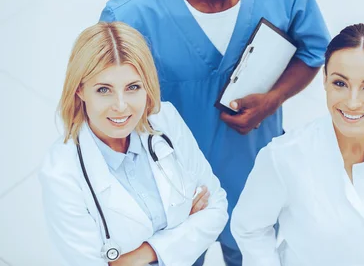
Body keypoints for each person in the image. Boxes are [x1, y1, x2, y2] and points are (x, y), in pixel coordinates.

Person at [99, 0, 329, 265]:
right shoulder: (130, 16)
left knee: (255, 253)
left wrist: (273, 100)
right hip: (169, 191)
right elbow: (104, 113)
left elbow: (313, 51)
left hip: (254, 175)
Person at [231, 24, 364, 266]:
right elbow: (250, 228)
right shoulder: (283, 156)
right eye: (341, 84)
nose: (352, 102)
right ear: (325, 80)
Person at [39, 21, 228, 266]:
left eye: (133, 87)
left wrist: (141, 254)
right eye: (103, 90)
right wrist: (184, 227)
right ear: (79, 91)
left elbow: (216, 208)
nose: (120, 105)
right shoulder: (61, 173)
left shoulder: (164, 120)